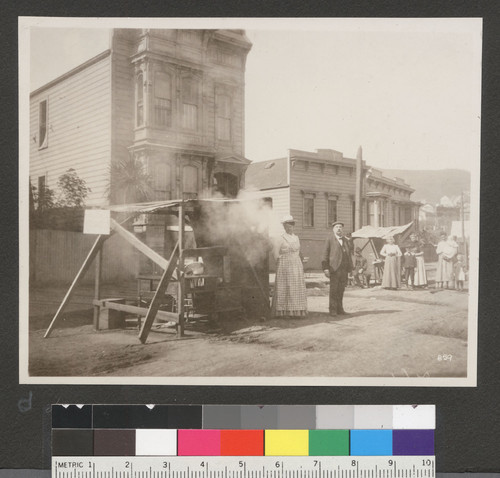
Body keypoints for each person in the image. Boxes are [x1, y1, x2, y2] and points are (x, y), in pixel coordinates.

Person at [271, 215, 307, 318]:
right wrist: (279, 264)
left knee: (296, 287)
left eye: (291, 225)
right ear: (284, 227)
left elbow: (299, 251)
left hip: (296, 264)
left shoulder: (296, 237)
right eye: (287, 225)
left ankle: (297, 311)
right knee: (286, 287)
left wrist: (300, 260)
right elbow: (275, 253)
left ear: (293, 226)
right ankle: (285, 311)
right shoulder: (280, 238)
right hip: (285, 265)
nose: (289, 227)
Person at [321, 221, 353, 316]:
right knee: (334, 290)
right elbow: (325, 254)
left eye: (340, 227)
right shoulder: (329, 239)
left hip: (344, 269)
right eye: (337, 227)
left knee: (341, 289)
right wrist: (325, 268)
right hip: (334, 268)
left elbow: (349, 255)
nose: (339, 229)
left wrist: (350, 268)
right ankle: (333, 310)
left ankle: (340, 309)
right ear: (333, 229)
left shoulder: (346, 240)